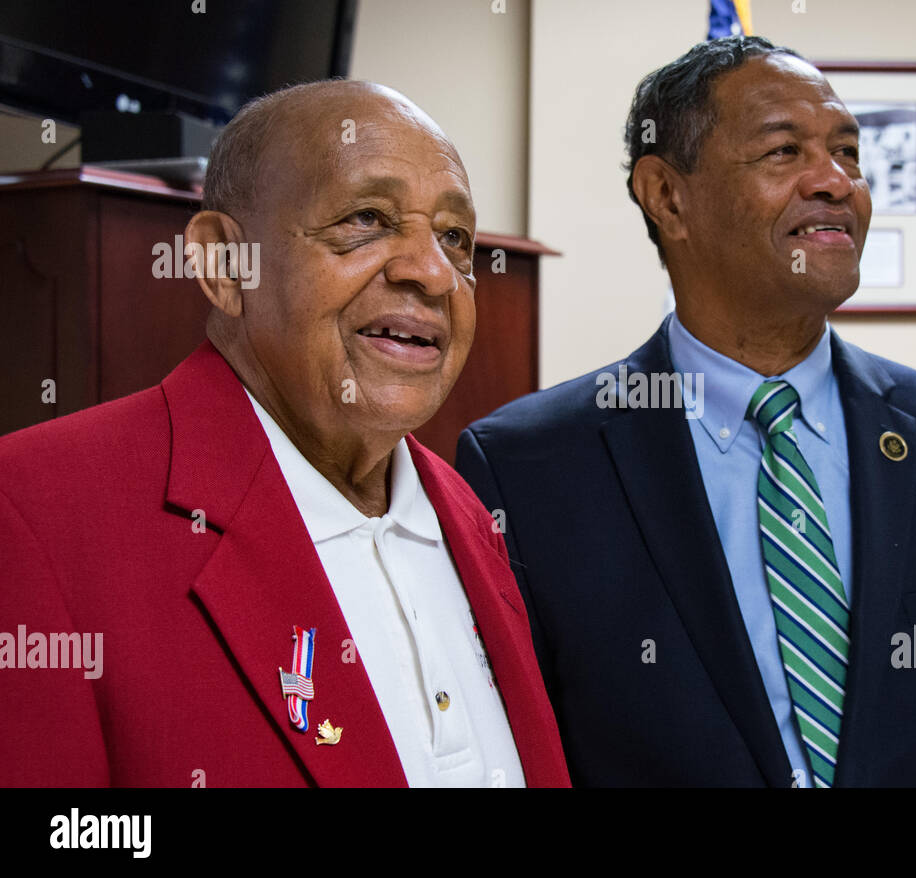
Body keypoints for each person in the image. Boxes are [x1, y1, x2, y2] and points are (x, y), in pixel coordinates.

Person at [457, 37, 916, 787]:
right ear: (667, 196)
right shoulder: (527, 467)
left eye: (849, 153)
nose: (836, 181)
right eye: (784, 152)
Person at [0, 80, 568, 788]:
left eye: (455, 237)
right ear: (223, 264)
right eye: (367, 218)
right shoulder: (34, 508)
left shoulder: (471, 514)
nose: (433, 273)